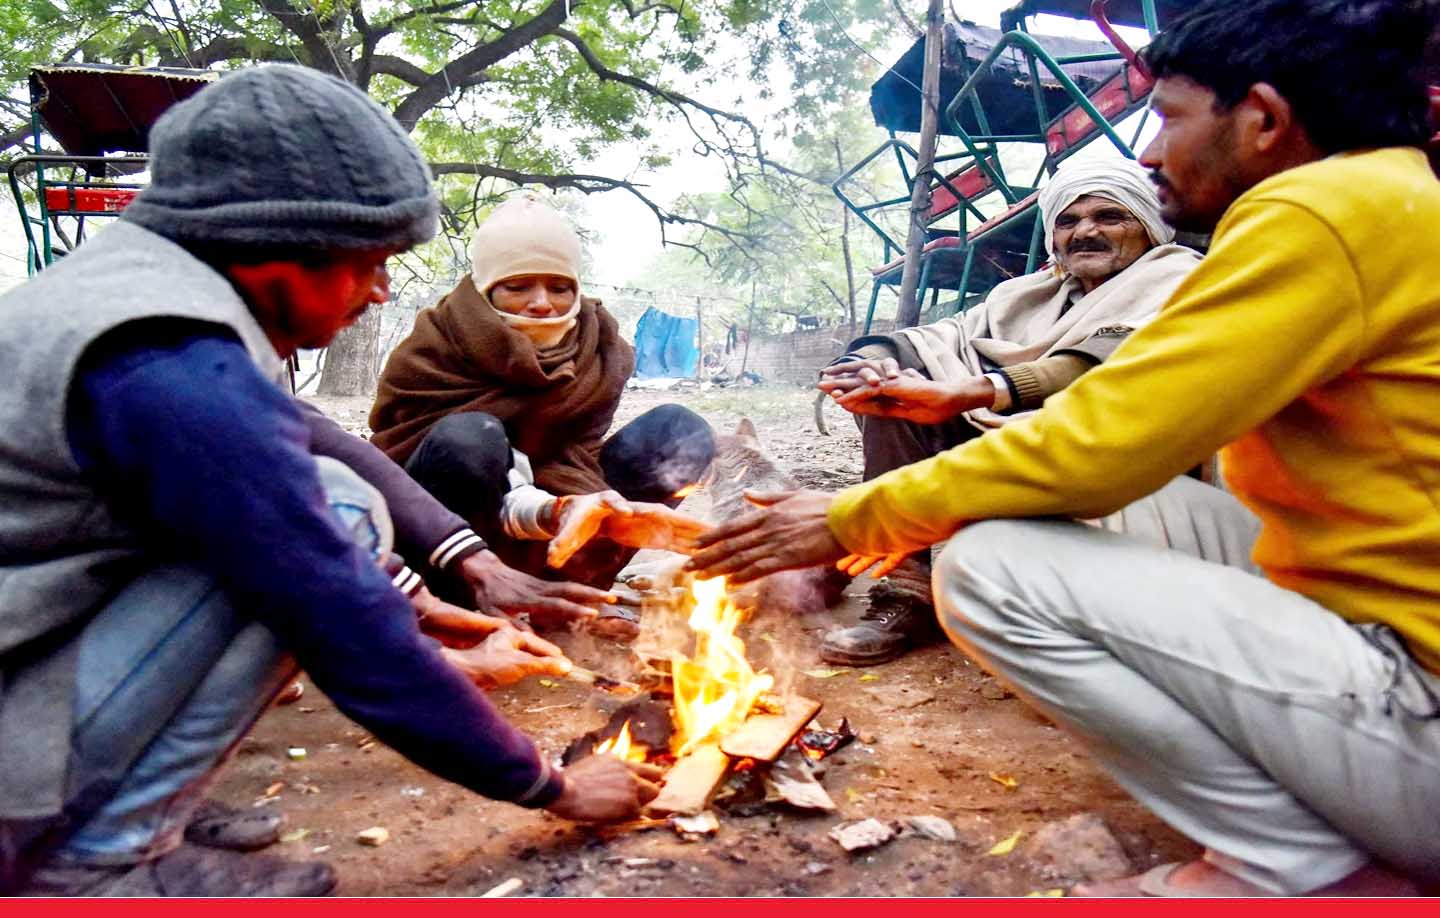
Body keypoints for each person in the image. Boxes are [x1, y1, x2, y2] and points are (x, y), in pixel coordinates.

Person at [690, 0, 1440, 896]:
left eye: (1166, 118)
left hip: (1416, 700)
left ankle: (1283, 858)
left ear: (1266, 120)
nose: (1151, 152)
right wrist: (894, 367)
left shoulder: (1313, 214)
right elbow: (973, 351)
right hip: (1353, 596)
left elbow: (1105, 429)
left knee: (992, 565)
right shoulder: (1390, 196)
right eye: (1071, 220)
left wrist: (855, 515)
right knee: (1079, 501)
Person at [0, 65, 660, 898]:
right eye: (373, 260)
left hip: (35, 650)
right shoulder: (168, 362)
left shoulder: (138, 297)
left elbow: (282, 478)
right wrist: (548, 784)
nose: (381, 289)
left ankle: (126, 808)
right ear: (282, 251)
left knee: (337, 509)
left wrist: (435, 600)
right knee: (339, 523)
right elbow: (329, 601)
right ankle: (93, 856)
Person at [815, 158, 1201, 666]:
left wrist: (979, 391)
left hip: (1111, 466)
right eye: (1068, 220)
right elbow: (940, 337)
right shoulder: (1026, 294)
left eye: (1110, 217)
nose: (1085, 231)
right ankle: (905, 588)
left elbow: (1108, 363)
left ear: (1148, 227)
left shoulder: (1180, 278)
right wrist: (868, 364)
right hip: (1010, 439)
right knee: (896, 394)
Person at [369, 196, 715, 639]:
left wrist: (587, 508)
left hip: (559, 506)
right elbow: (396, 460)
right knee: (470, 438)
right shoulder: (434, 344)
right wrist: (547, 505)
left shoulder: (599, 345)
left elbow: (578, 452)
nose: (542, 303)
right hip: (452, 526)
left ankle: (574, 592)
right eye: (519, 286)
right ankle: (461, 605)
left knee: (678, 431)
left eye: (558, 286)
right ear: (487, 288)